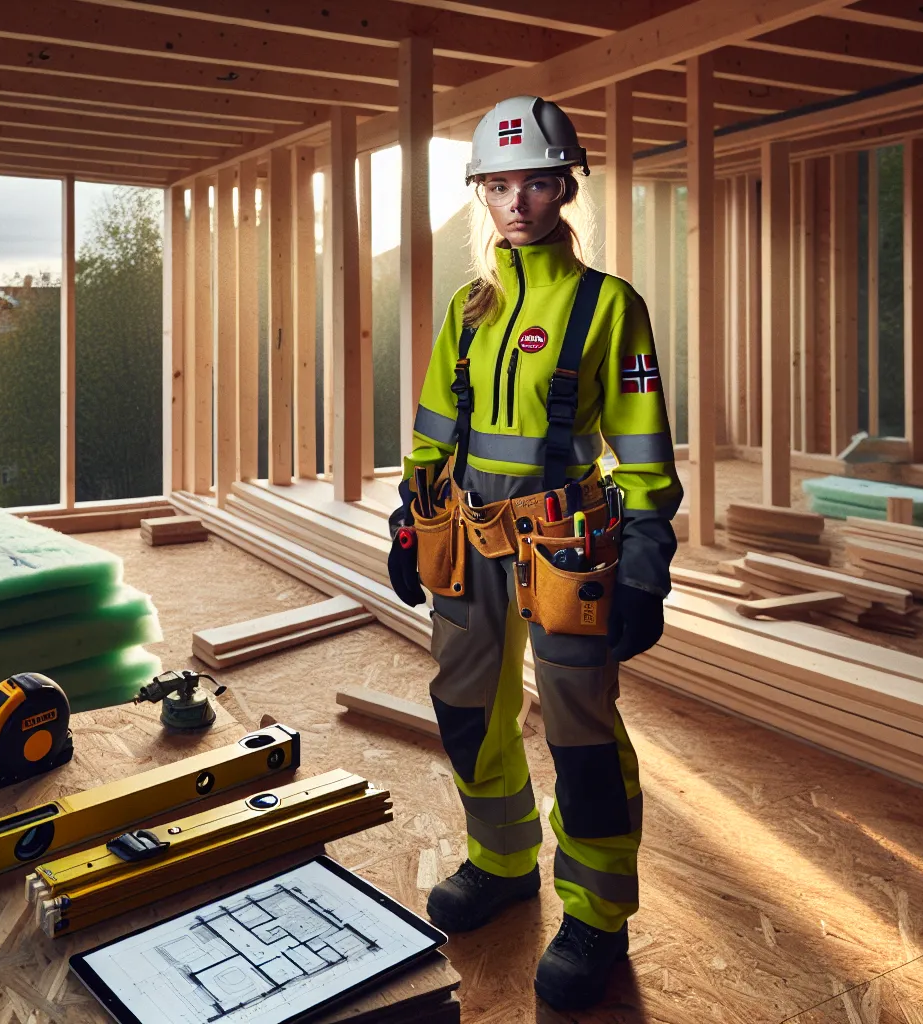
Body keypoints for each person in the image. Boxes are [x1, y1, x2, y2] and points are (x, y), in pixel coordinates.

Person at [386, 95, 682, 1011]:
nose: (519, 202)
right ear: (482, 193)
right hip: (467, 538)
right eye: (501, 185)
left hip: (568, 544)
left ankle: (595, 911)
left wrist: (642, 561)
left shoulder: (608, 307)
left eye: (538, 183)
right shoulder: (467, 310)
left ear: (565, 188)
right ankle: (500, 863)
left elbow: (641, 452)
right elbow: (435, 433)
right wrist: (408, 517)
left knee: (580, 731)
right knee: (466, 705)